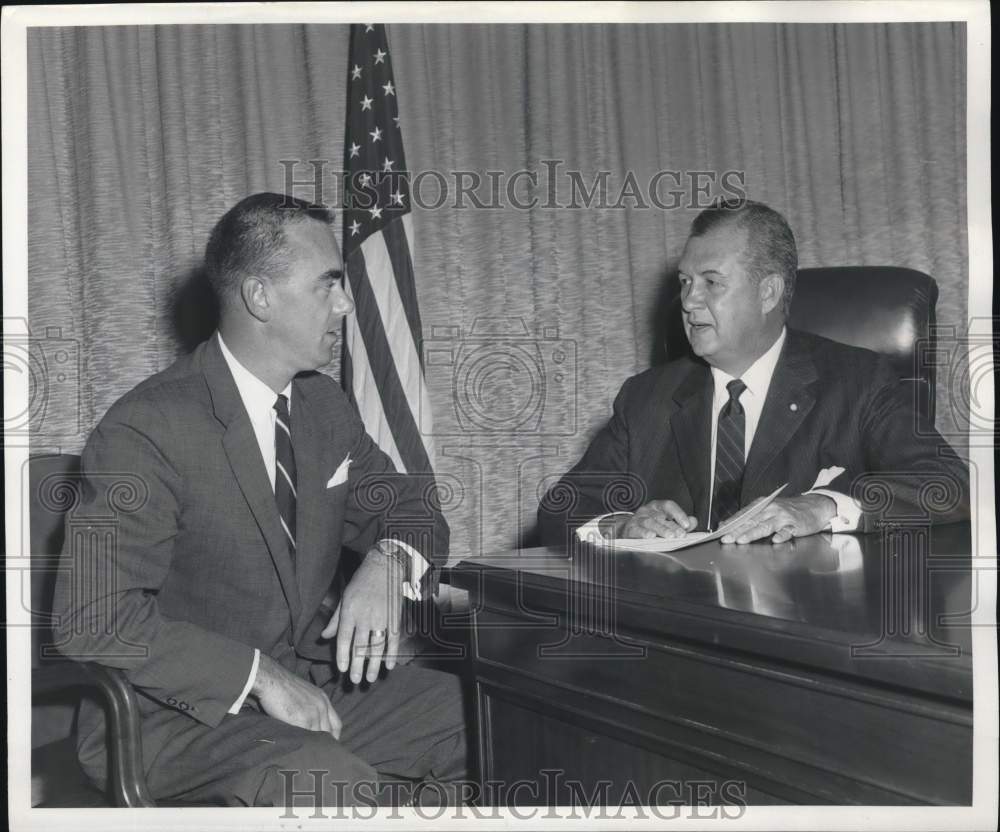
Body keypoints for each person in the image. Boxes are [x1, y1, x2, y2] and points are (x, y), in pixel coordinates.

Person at [53, 193, 467, 808]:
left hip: (309, 688)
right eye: (329, 285)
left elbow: (411, 505)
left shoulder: (324, 408)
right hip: (173, 721)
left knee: (489, 717)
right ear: (259, 297)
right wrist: (261, 677)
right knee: (327, 778)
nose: (347, 305)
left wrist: (389, 561)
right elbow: (92, 619)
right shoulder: (145, 430)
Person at [538, 199, 969, 546]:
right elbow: (560, 510)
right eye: (685, 282)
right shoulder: (645, 398)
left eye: (711, 282)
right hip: (674, 630)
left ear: (768, 292)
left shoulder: (858, 381)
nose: (688, 301)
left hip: (804, 630)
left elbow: (951, 486)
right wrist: (621, 525)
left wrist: (823, 507)